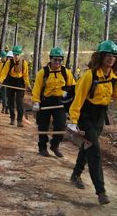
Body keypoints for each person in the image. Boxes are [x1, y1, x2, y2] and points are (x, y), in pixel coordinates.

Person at [68, 40, 117, 205]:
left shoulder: (114, 77)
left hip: (100, 116)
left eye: (114, 56)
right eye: (108, 55)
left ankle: (75, 174)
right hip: (86, 115)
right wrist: (73, 121)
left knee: (88, 145)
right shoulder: (89, 76)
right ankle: (101, 191)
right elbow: (78, 99)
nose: (111, 59)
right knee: (95, 150)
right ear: (101, 56)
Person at [32, 47, 75, 157]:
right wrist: (36, 102)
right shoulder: (43, 72)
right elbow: (37, 88)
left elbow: (73, 87)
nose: (57, 62)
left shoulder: (66, 72)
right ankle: (42, 148)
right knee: (43, 126)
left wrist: (70, 98)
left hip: (60, 103)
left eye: (60, 60)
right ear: (51, 59)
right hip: (45, 102)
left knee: (61, 126)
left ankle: (54, 145)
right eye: (55, 60)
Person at [0, 45, 31, 127]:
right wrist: (0, 81)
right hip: (11, 82)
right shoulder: (9, 62)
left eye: (18, 54)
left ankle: (19, 120)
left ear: (20, 54)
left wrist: (27, 85)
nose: (16, 56)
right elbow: (4, 73)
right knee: (10, 101)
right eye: (15, 54)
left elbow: (25, 75)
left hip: (20, 83)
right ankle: (12, 117)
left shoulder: (24, 63)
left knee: (19, 101)